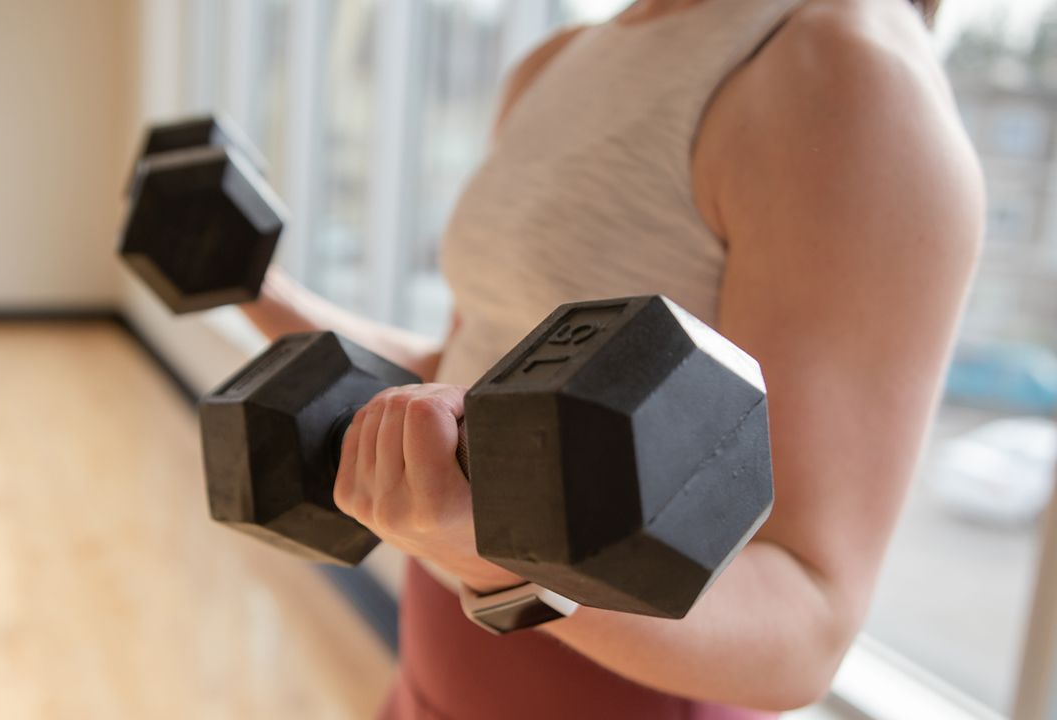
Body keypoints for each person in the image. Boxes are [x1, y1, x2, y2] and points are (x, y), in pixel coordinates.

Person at [239, 0, 983, 716]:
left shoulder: (845, 77)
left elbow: (808, 623)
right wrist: (253, 284)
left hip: (620, 692)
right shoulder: (561, 59)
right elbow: (471, 377)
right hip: (444, 653)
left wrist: (494, 556)